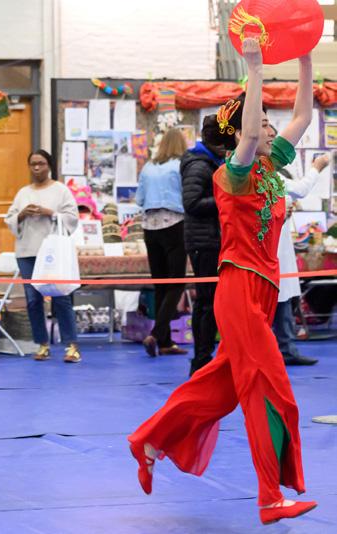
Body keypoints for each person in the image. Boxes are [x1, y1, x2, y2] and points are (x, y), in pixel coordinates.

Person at [128, 39, 317, 525]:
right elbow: (250, 132)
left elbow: (302, 117)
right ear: (239, 134)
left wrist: (304, 58)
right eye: (263, 123)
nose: (270, 129)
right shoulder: (231, 174)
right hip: (240, 292)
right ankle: (270, 496)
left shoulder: (270, 167)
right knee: (269, 389)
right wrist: (254, 68)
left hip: (262, 293)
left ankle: (150, 439)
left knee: (220, 387)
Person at [4, 150, 80, 362]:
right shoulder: (23, 193)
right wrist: (22, 214)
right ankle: (42, 344)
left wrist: (50, 213)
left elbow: (72, 218)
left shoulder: (61, 191)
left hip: (53, 253)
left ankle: (71, 346)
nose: (37, 167)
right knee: (33, 300)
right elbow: (9, 219)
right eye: (33, 164)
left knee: (61, 297)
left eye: (41, 163)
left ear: (49, 165)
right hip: (26, 252)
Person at [136, 128, 189, 357]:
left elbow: (139, 199)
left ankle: (165, 342)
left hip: (150, 226)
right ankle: (157, 334)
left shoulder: (148, 166)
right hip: (175, 224)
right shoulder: (181, 165)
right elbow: (188, 195)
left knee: (160, 284)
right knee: (176, 283)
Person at [181, 116, 227, 375]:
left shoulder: (211, 162)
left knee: (209, 301)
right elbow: (192, 203)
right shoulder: (199, 165)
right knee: (207, 302)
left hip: (210, 239)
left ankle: (203, 358)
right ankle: (201, 359)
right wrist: (226, 199)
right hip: (204, 241)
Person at [272, 155, 327, 366]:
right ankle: (281, 349)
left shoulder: (270, 177)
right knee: (276, 302)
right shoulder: (260, 176)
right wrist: (316, 167)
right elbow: (302, 189)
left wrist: (283, 210)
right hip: (267, 253)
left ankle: (286, 348)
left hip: (279, 251)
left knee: (284, 301)